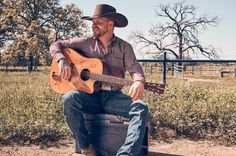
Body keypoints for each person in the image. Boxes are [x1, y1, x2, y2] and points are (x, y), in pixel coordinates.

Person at [50, 4, 149, 156]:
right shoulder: (85, 42)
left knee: (141, 107)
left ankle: (125, 154)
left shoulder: (125, 47)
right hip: (89, 96)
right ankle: (86, 148)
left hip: (113, 97)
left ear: (111, 24)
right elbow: (56, 45)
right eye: (93, 22)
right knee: (69, 98)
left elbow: (135, 69)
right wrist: (62, 60)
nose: (94, 25)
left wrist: (138, 81)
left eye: (99, 22)